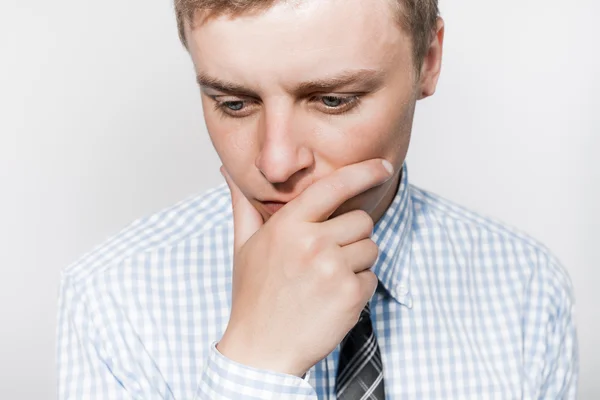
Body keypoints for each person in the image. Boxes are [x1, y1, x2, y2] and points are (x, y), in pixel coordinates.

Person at [56, 0, 578, 398]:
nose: (276, 163)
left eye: (333, 100)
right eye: (234, 103)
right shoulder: (112, 298)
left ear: (429, 61)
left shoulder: (528, 287)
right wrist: (258, 361)